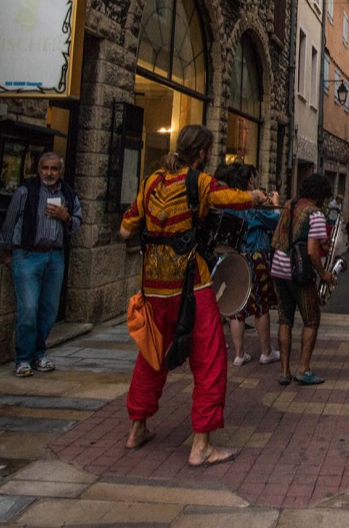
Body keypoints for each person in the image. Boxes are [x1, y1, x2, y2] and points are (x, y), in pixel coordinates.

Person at [118, 126, 266, 467]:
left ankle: (136, 429)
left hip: (153, 284)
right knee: (210, 358)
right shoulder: (197, 181)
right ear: (202, 154)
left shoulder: (151, 180)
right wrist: (258, 198)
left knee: (151, 354)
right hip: (191, 282)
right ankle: (201, 446)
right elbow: (233, 197)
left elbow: (125, 229)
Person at [0, 152, 83, 378]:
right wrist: (7, 252)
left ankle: (39, 354)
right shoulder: (25, 192)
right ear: (38, 170)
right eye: (45, 168)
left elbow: (77, 225)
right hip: (27, 255)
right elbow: (10, 221)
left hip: (54, 256)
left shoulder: (68, 193)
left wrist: (65, 216)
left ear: (60, 171)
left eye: (54, 169)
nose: (49, 173)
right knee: (28, 308)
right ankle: (23, 358)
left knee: (48, 310)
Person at [269, 173, 336, 386]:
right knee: (311, 319)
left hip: (277, 265)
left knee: (284, 318)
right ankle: (303, 369)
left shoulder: (290, 204)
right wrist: (323, 274)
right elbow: (312, 251)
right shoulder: (315, 213)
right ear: (320, 195)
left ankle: (284, 371)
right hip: (297, 270)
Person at [213, 163, 281, 368]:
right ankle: (266, 351)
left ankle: (239, 354)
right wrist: (274, 203)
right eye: (254, 177)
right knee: (261, 306)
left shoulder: (229, 202)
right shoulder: (253, 204)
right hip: (255, 256)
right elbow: (275, 221)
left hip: (233, 257)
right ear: (249, 181)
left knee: (237, 307)